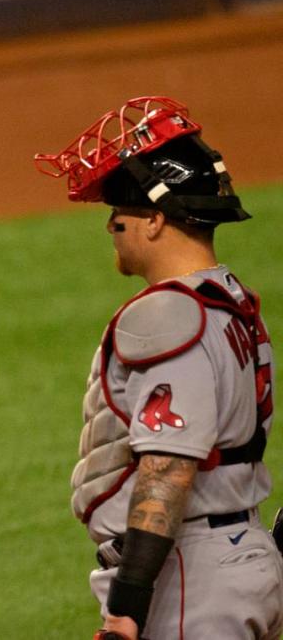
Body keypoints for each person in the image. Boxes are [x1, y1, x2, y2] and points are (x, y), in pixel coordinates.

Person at [35, 96, 283, 640]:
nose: (110, 229)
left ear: (152, 219)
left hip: (189, 578)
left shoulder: (168, 313)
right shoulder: (232, 301)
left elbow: (169, 465)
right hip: (238, 557)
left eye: (116, 215)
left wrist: (127, 606)